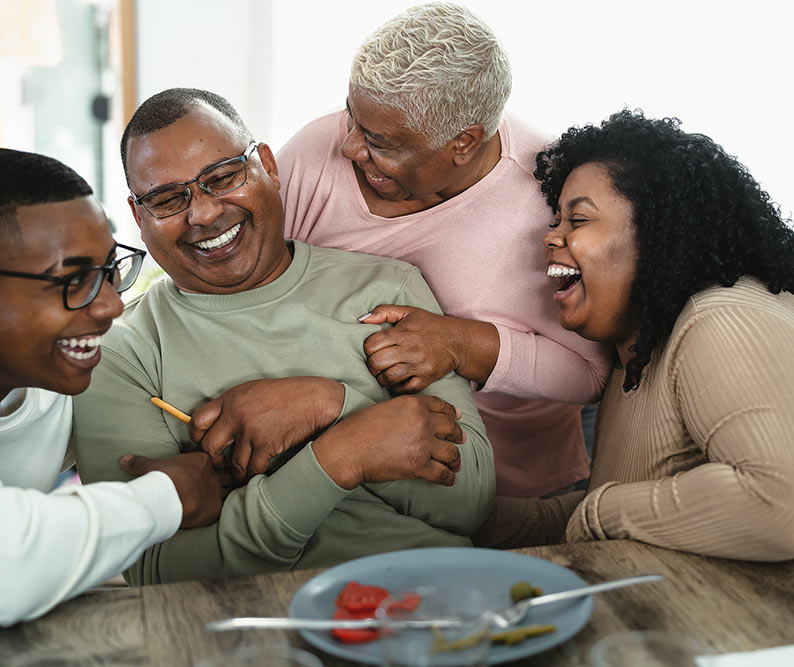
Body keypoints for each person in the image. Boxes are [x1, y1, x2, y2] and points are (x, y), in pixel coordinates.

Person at [475, 110, 794, 666]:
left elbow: (778, 506)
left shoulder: (722, 321)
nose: (550, 236)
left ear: (656, 234)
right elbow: (635, 511)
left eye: (577, 220)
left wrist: (599, 511)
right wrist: (469, 520)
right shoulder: (640, 353)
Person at [72, 88, 495, 586]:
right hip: (244, 629)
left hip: (434, 602)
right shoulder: (122, 354)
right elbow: (157, 570)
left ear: (268, 167)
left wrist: (330, 404)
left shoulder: (388, 288)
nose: (203, 214)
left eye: (223, 177)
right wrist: (339, 456)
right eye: (167, 199)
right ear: (139, 217)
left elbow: (470, 501)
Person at [278, 2, 610, 498]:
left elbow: (590, 372)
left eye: (379, 140)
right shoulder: (315, 151)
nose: (348, 146)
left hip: (510, 477)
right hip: (348, 469)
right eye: (352, 115)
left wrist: (460, 344)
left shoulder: (553, 198)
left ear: (464, 143)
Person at [0, 148, 225, 625]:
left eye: (109, 272)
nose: (109, 307)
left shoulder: (56, 378)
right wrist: (169, 495)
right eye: (75, 279)